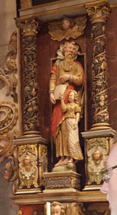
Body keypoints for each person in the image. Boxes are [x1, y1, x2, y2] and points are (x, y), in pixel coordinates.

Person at [49, 41, 85, 169]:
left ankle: (70, 155)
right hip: (59, 99)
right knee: (57, 128)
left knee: (68, 128)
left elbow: (81, 79)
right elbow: (53, 79)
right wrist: (51, 93)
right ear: (64, 51)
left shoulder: (77, 65)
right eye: (68, 49)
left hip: (69, 96)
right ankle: (62, 156)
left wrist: (69, 77)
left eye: (72, 49)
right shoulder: (58, 64)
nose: (70, 51)